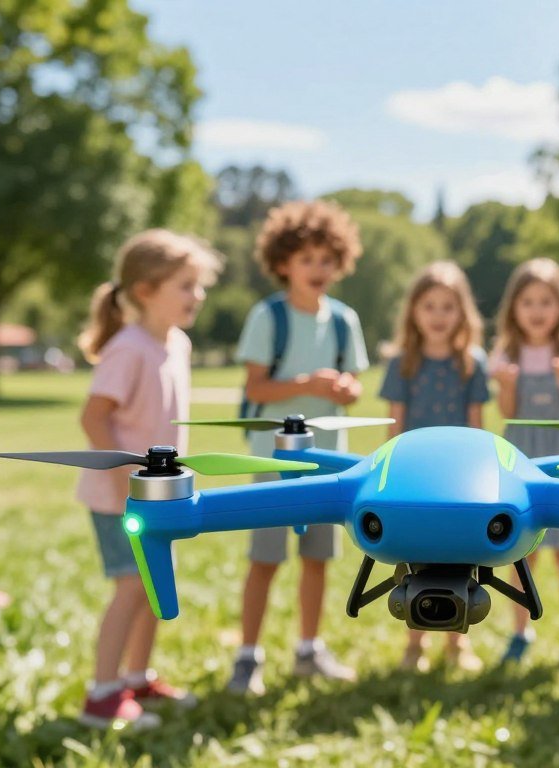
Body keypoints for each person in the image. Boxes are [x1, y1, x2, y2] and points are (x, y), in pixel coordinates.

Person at [76, 229, 222, 728]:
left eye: (198, 285)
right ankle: (102, 695)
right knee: (132, 588)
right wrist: (122, 486)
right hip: (120, 499)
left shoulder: (175, 343)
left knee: (154, 584)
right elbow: (94, 417)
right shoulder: (129, 347)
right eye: (186, 285)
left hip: (159, 498)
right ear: (145, 290)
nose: (197, 295)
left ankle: (137, 679)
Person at [227, 200, 369, 695]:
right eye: (306, 259)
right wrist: (308, 382)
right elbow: (257, 390)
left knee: (317, 558)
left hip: (329, 460)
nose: (317, 269)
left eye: (326, 259)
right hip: (274, 458)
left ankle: (309, 649)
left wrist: (345, 390)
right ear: (283, 262)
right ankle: (248, 657)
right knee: (265, 559)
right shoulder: (268, 317)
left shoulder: (344, 320)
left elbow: (353, 382)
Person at [379, 261, 490, 673]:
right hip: (413, 480)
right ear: (414, 311)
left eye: (448, 306)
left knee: (461, 561)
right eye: (430, 306)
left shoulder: (472, 362)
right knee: (413, 562)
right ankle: (414, 643)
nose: (438, 315)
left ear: (462, 313)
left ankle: (458, 644)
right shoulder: (401, 362)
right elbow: (395, 426)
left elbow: (478, 427)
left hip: (460, 481)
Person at [490, 257, 559, 666]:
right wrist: (507, 384)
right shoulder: (507, 351)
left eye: (546, 302)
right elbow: (507, 412)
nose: (537, 311)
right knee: (521, 554)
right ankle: (519, 634)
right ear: (514, 307)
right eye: (528, 302)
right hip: (522, 457)